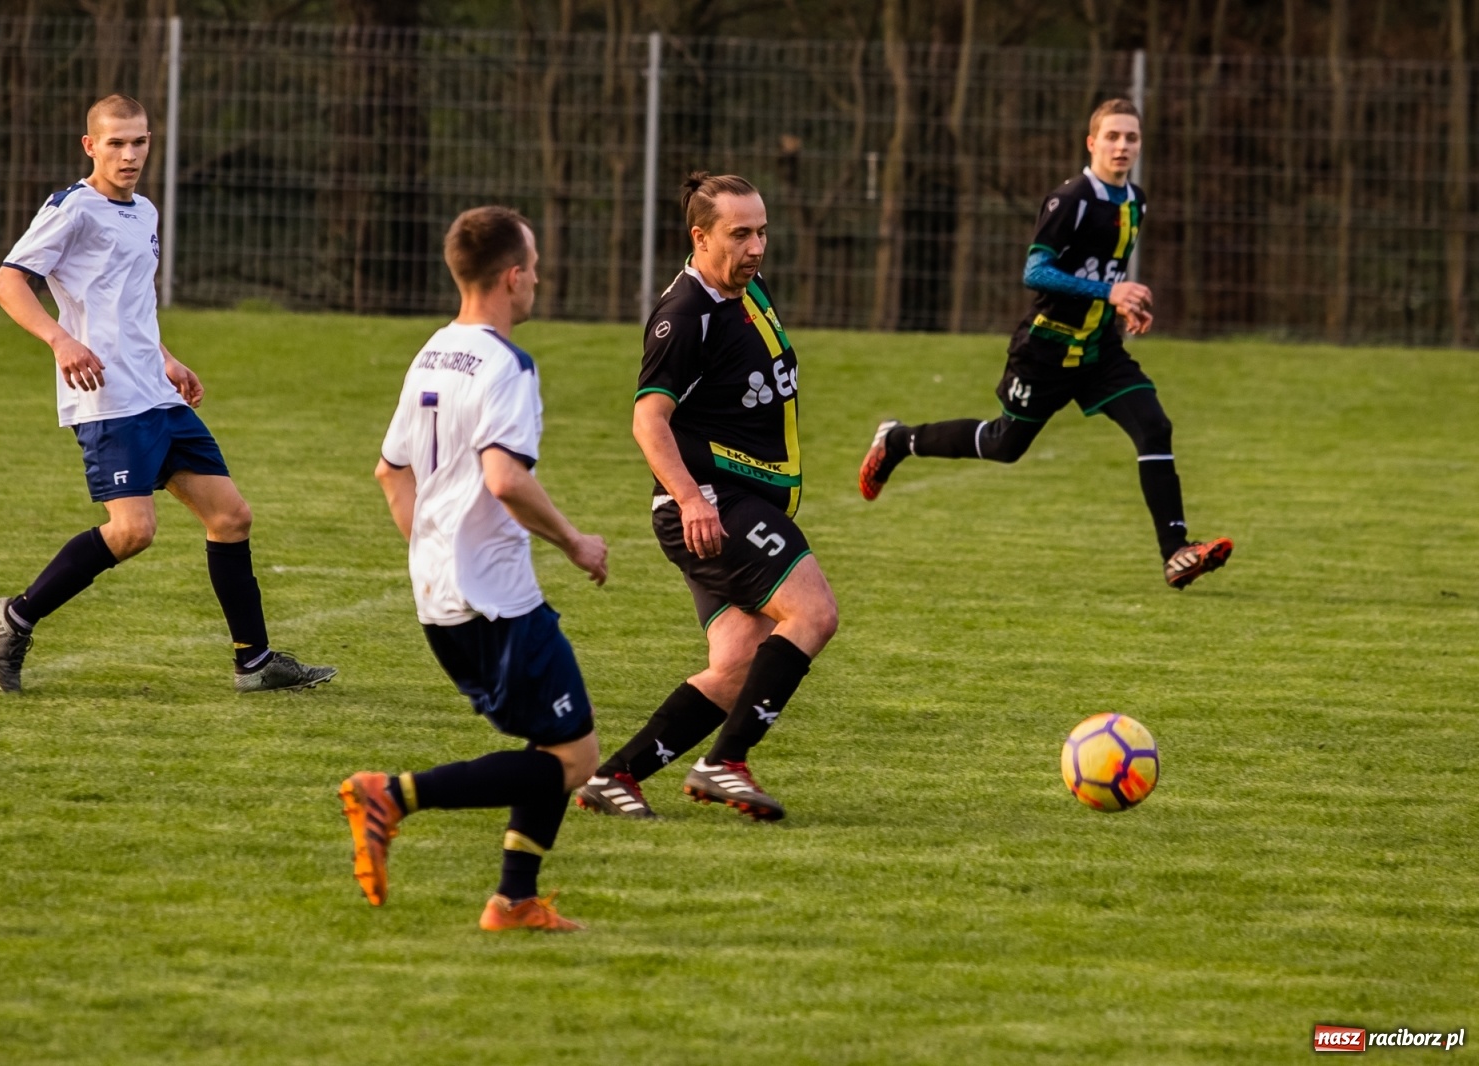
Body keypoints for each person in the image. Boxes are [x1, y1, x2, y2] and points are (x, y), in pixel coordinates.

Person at [0, 94, 335, 692]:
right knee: (132, 532)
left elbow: (130, 305)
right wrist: (59, 341)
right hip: (110, 400)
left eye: (139, 141)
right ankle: (16, 615)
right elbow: (8, 281)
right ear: (90, 146)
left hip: (157, 393)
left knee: (231, 517)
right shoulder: (73, 209)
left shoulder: (143, 211)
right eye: (116, 143)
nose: (129, 154)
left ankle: (254, 662)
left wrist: (168, 359)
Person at [338, 206, 608, 932]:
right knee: (577, 758)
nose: (540, 281)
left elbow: (391, 475)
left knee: (555, 743)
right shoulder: (507, 365)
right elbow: (506, 479)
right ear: (513, 277)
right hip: (496, 599)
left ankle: (514, 900)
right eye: (537, 269)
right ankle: (390, 795)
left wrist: (431, 550)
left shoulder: (432, 351)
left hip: (440, 595)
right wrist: (577, 542)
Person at [858, 99, 1233, 590]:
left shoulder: (1134, 201)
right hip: (1046, 350)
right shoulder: (1072, 199)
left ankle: (1176, 552)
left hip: (1100, 351)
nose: (1123, 146)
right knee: (1003, 444)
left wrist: (1123, 305)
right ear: (1091, 143)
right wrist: (1109, 291)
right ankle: (898, 440)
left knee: (1154, 426)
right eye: (1113, 136)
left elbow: (1105, 273)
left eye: (1132, 138)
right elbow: (1035, 271)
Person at [574, 172, 838, 823]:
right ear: (701, 236)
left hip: (742, 505)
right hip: (713, 508)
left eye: (762, 231)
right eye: (740, 234)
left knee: (737, 666)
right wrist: (693, 501)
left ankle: (615, 779)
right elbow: (648, 421)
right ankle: (726, 762)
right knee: (814, 614)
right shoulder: (684, 316)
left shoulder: (743, 286)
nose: (756, 247)